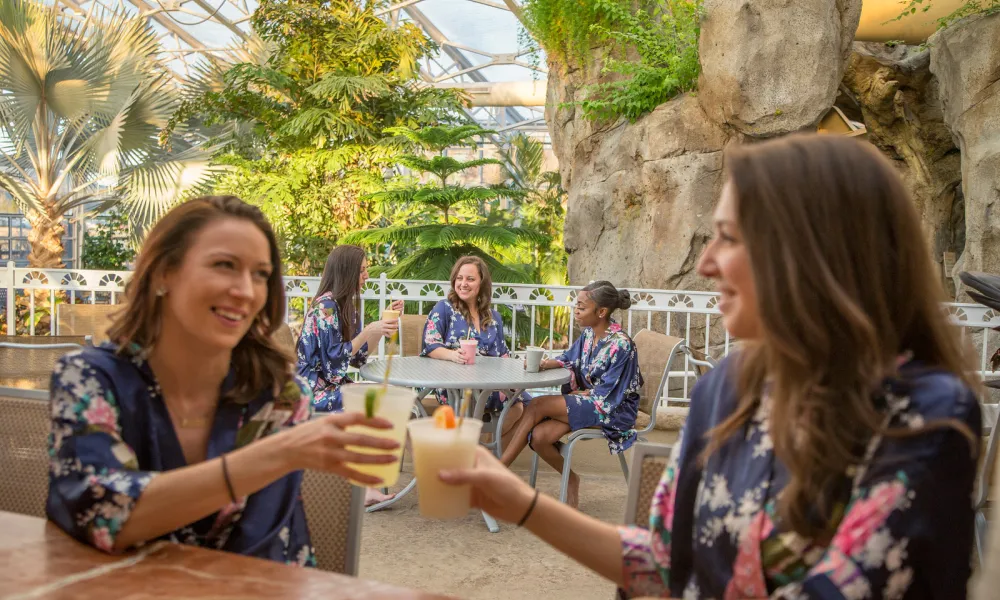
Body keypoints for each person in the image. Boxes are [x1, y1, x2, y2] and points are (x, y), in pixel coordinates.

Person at [439, 134, 982, 599]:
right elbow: (663, 562)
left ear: (809, 252)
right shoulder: (725, 389)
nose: (704, 263)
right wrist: (519, 503)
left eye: (728, 237)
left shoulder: (924, 419)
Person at [47, 196, 400, 564]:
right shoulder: (89, 380)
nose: (246, 291)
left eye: (261, 274)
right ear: (164, 271)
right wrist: (277, 454)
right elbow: (101, 515)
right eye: (224, 265)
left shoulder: (276, 397)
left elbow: (274, 553)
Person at [501, 280, 642, 508]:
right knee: (539, 438)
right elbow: (569, 359)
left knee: (537, 406)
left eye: (582, 307)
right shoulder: (588, 336)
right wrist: (547, 364)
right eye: (576, 305)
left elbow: (612, 394)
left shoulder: (622, 345)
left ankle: (499, 469)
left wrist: (585, 394)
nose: (576, 311)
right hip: (588, 401)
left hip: (612, 410)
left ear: (601, 312)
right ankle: (572, 480)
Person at [296, 244, 403, 506]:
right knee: (372, 403)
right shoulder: (327, 306)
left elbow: (357, 358)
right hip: (312, 390)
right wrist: (368, 331)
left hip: (330, 383)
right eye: (363, 270)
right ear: (348, 271)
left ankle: (368, 481)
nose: (366, 275)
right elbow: (334, 364)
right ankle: (364, 487)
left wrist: (381, 326)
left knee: (383, 397)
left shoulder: (344, 306)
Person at [421, 256, 525, 434]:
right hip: (452, 386)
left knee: (520, 405)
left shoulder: (493, 317)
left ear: (481, 283)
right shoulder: (445, 308)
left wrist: (517, 373)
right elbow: (430, 345)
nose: (463, 283)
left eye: (470, 279)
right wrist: (453, 355)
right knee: (509, 402)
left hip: (487, 384)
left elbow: (503, 355)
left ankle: (485, 453)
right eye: (459, 278)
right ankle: (474, 452)